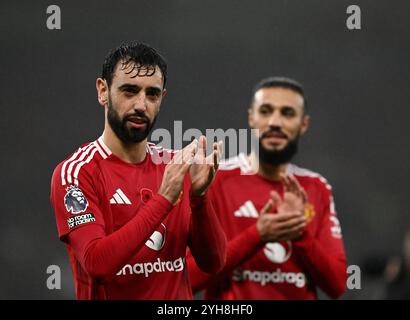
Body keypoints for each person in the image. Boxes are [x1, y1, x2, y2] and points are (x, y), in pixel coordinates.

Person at [50, 42, 226, 299]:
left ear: (162, 98)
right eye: (129, 91)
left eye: (152, 94)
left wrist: (200, 199)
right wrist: (164, 199)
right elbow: (97, 264)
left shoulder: (176, 167)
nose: (141, 105)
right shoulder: (77, 173)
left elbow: (214, 262)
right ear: (103, 91)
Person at [188, 77, 347, 299]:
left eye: (287, 113)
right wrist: (258, 235)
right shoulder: (214, 180)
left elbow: (338, 284)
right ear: (251, 117)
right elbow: (188, 277)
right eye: (265, 111)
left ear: (304, 124)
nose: (275, 122)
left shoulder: (316, 187)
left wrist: (299, 233)